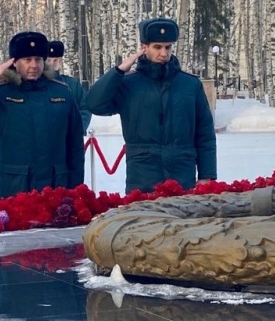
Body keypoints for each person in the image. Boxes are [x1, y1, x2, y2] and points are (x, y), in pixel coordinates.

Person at [86, 17, 217, 192]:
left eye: (168, 47)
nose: (163, 53)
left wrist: (206, 176)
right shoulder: (128, 84)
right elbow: (94, 104)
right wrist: (118, 71)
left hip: (182, 178)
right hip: (142, 179)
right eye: (157, 47)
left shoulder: (190, 85)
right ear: (144, 48)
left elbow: (205, 134)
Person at [0, 31, 84, 198]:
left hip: (55, 188)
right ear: (15, 62)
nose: (34, 65)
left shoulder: (61, 92)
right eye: (27, 60)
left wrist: (76, 191)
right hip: (12, 190)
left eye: (38, 59)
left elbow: (75, 144)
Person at [47, 40, 91, 134]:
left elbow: (85, 108)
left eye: (55, 60)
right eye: (48, 60)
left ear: (60, 61)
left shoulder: (72, 85)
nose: (52, 63)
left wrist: (77, 130)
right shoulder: (36, 85)